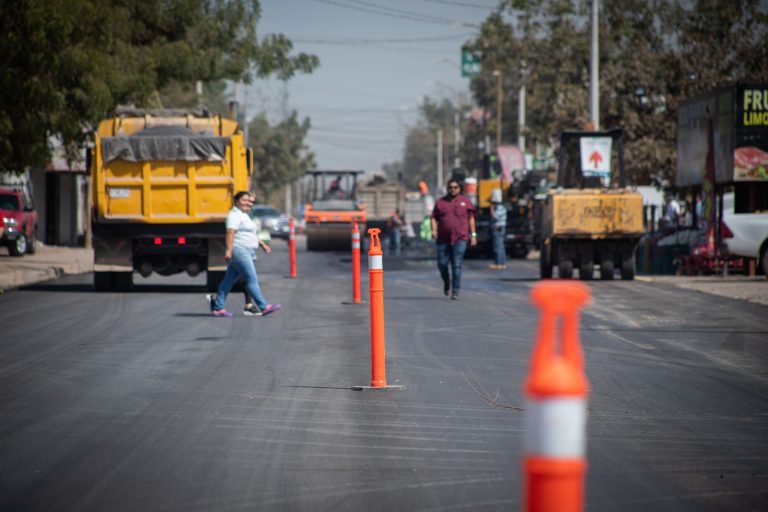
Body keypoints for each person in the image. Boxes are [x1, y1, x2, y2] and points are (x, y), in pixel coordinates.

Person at [207, 191, 281, 317]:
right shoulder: (234, 215)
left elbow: (251, 234)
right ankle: (263, 307)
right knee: (251, 279)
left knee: (228, 282)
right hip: (240, 251)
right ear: (236, 201)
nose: (248, 203)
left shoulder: (244, 215)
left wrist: (263, 245)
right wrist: (229, 250)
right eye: (244, 200)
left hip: (246, 251)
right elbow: (230, 233)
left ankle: (218, 308)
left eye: (250, 201)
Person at [431, 179, 477, 300]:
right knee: (442, 264)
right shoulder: (440, 202)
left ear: (459, 189)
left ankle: (456, 290)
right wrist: (434, 230)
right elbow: (433, 218)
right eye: (451, 187)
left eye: (455, 187)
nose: (453, 189)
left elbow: (471, 218)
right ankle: (447, 282)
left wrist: (474, 235)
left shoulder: (465, 202)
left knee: (457, 264)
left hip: (460, 237)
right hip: (443, 238)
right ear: (447, 188)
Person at [488, 189, 507, 269]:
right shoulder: (501, 207)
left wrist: (491, 209)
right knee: (500, 246)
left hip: (498, 229)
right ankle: (501, 263)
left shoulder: (499, 208)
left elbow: (495, 216)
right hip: (500, 229)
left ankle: (498, 263)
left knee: (497, 247)